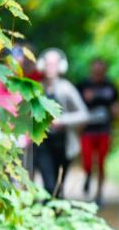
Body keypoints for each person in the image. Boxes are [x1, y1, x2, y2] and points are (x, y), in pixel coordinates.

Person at [33, 48, 89, 198]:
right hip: (42, 144)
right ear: (42, 65)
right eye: (48, 63)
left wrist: (62, 121)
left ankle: (56, 214)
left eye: (54, 63)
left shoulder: (67, 88)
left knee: (58, 187)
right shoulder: (36, 88)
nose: (51, 67)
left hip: (63, 144)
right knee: (49, 185)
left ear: (61, 66)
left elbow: (84, 114)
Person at [76, 58, 119, 206]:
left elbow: (117, 106)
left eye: (100, 70)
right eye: (95, 70)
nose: (98, 73)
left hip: (104, 130)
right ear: (91, 70)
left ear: (105, 71)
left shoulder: (111, 86)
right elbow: (73, 105)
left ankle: (99, 194)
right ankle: (88, 175)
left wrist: (116, 112)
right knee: (87, 161)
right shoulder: (83, 85)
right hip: (87, 130)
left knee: (101, 162)